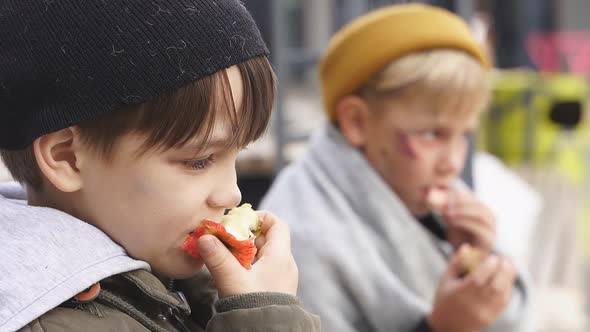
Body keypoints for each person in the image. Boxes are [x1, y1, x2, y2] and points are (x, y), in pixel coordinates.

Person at [0, 1, 320, 331]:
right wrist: (266, 317)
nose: (231, 194)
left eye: (235, 155)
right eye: (198, 161)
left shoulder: (158, 273)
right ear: (66, 158)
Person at [260, 4, 530, 332]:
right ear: (357, 122)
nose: (453, 163)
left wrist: (475, 265)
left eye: (464, 136)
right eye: (432, 134)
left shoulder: (411, 189)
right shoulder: (303, 239)